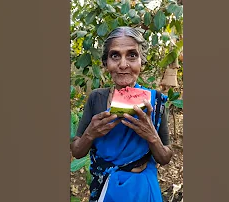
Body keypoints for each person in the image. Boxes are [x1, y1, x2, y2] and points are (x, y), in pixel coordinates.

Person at [71, 26, 173, 202]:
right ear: (106, 63)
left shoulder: (155, 101)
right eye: (115, 55)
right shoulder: (97, 99)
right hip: (106, 189)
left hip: (143, 192)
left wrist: (152, 136)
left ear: (142, 62)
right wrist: (90, 133)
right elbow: (77, 151)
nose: (123, 64)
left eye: (132, 55)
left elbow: (165, 157)